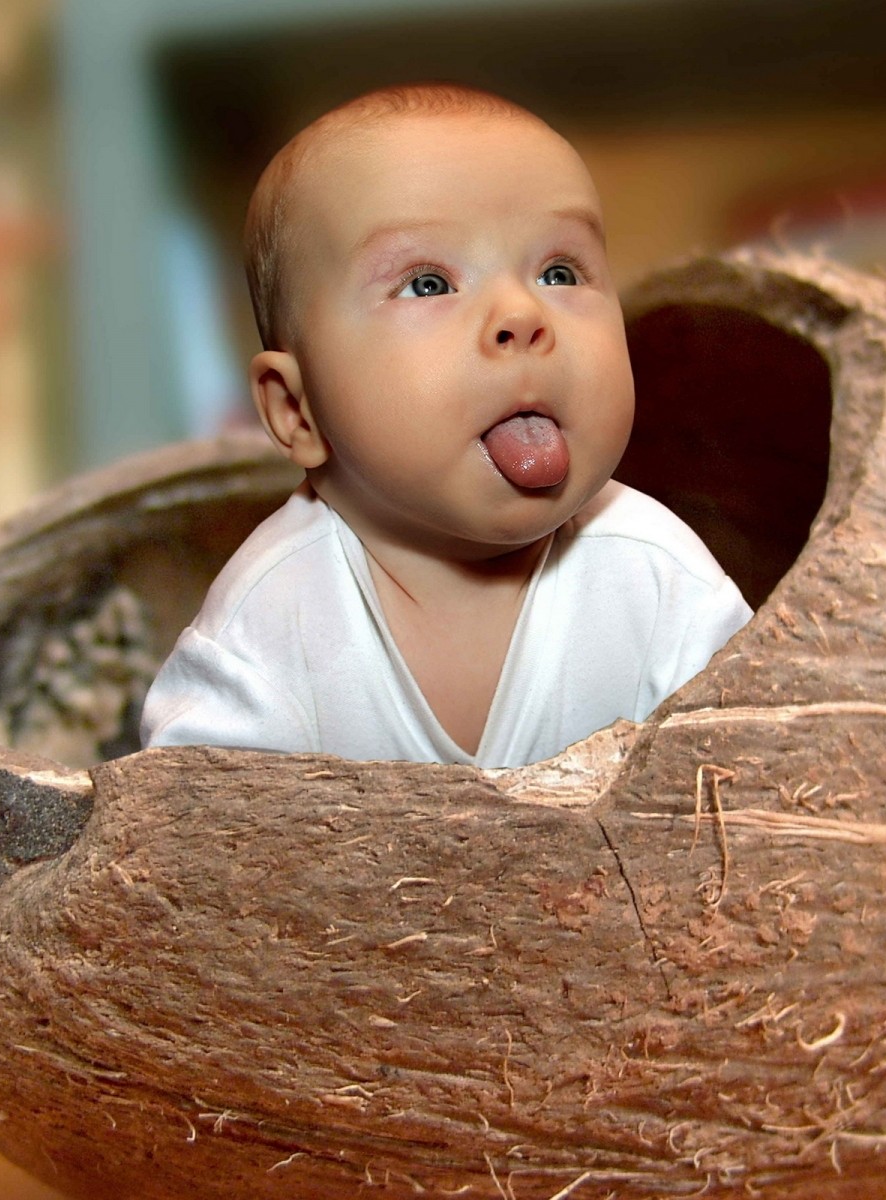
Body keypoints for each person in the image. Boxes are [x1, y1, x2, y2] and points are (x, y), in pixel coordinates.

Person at [141, 84, 751, 768]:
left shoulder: (656, 578)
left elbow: (758, 793)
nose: (522, 314)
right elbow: (181, 835)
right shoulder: (275, 621)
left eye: (558, 271)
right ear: (297, 409)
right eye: (429, 284)